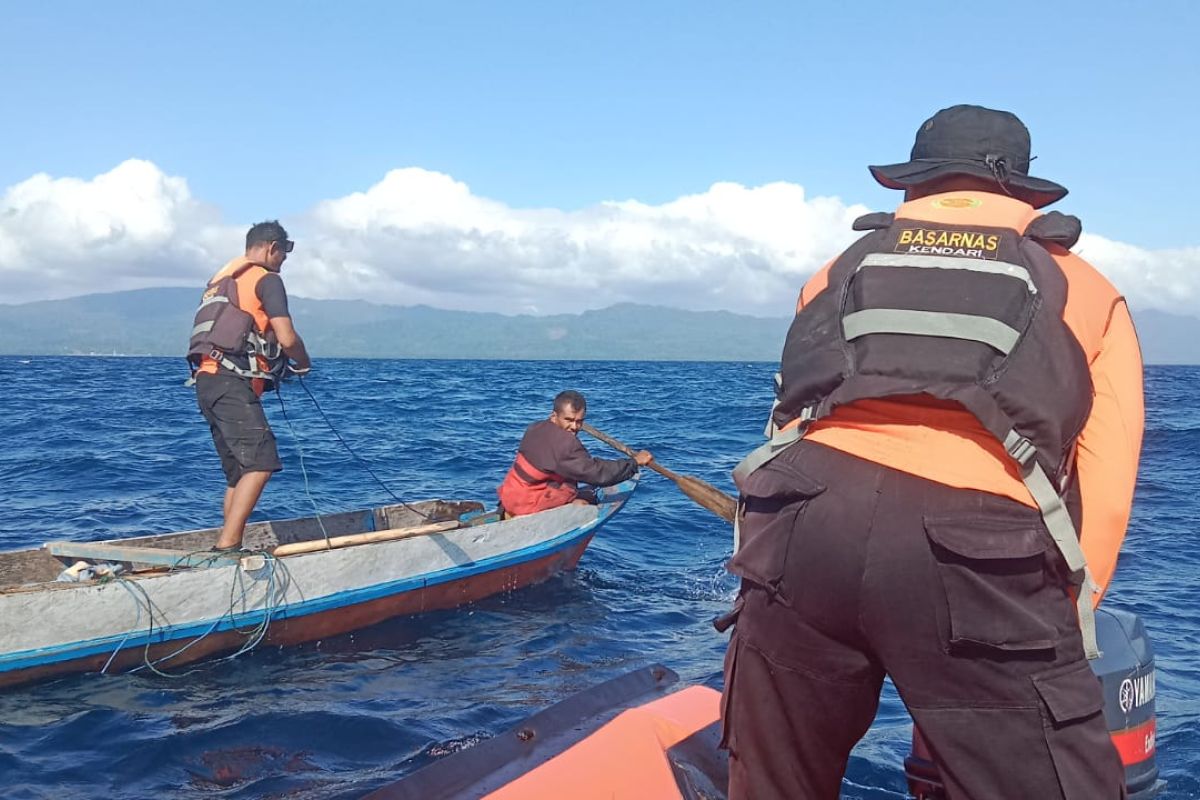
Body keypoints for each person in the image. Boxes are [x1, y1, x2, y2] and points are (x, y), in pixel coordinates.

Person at [719, 105, 1144, 799]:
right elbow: (1106, 482)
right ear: (1022, 194)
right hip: (979, 553)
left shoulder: (836, 269)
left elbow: (791, 413)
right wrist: (1063, 612)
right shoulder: (1087, 288)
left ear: (914, 186)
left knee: (774, 780)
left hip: (803, 529)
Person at [188, 220, 312, 552]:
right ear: (273, 247)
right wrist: (302, 362)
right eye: (283, 254)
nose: (283, 262)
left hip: (207, 381)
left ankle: (229, 543)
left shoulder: (221, 280)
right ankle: (227, 547)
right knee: (260, 464)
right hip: (230, 384)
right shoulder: (267, 279)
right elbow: (286, 336)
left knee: (239, 473)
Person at [497, 390, 653, 517]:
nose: (574, 427)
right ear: (554, 416)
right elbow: (597, 473)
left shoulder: (535, 428)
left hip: (510, 497)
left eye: (579, 421)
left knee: (584, 491)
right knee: (583, 506)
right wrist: (634, 463)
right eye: (569, 420)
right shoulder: (565, 444)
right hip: (526, 505)